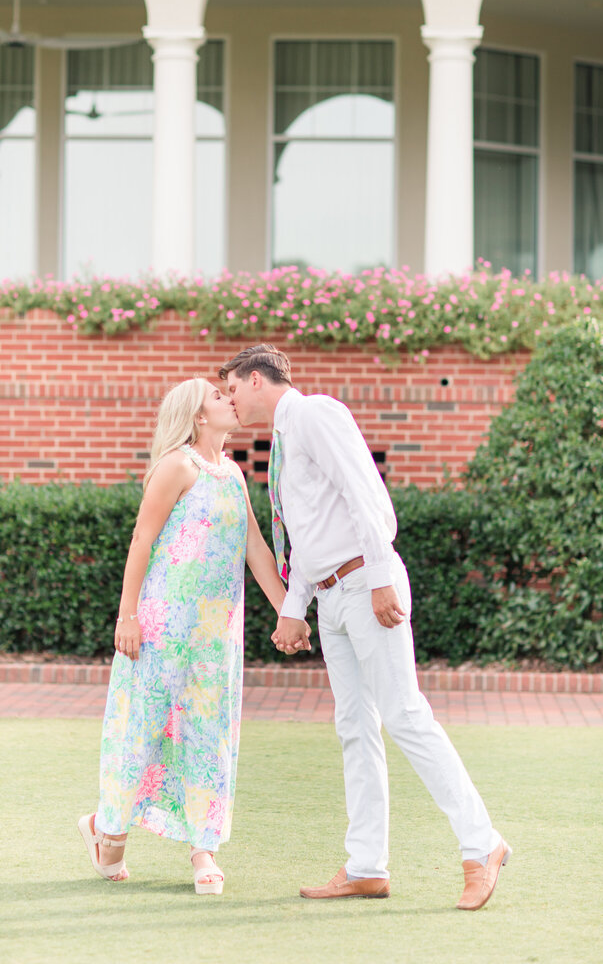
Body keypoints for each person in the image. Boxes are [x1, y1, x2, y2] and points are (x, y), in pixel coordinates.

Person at [219, 344, 511, 911]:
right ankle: (366, 867)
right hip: (332, 597)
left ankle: (483, 845)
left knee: (404, 715)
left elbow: (364, 493)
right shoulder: (282, 438)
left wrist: (379, 575)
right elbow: (304, 531)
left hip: (364, 583)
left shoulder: (314, 414)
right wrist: (293, 608)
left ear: (257, 379)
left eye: (231, 386)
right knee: (355, 727)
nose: (229, 397)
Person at [78, 377, 306, 895]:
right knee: (144, 730)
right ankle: (105, 830)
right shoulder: (176, 465)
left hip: (213, 635)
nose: (230, 399)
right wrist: (126, 616)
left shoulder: (232, 474)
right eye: (218, 397)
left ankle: (203, 850)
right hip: (160, 628)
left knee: (208, 736)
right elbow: (142, 538)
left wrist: (287, 613)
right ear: (199, 416)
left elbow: (256, 550)